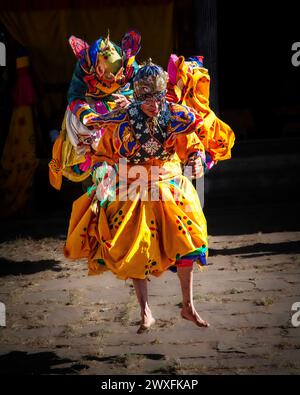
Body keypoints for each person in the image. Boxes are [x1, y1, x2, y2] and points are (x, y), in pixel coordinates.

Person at [64, 61, 233, 333]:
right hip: (133, 186)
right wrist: (102, 173)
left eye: (157, 98)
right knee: (134, 246)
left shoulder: (176, 115)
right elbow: (104, 154)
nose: (154, 105)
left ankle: (188, 305)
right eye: (146, 99)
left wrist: (196, 159)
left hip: (169, 184)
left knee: (189, 238)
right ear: (137, 97)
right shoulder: (122, 119)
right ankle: (145, 311)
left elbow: (192, 144)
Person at [49, 30, 141, 190]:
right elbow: (74, 95)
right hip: (91, 108)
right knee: (82, 131)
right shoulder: (85, 65)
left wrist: (130, 103)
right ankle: (91, 165)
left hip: (121, 107)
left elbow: (143, 92)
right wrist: (87, 116)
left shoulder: (129, 66)